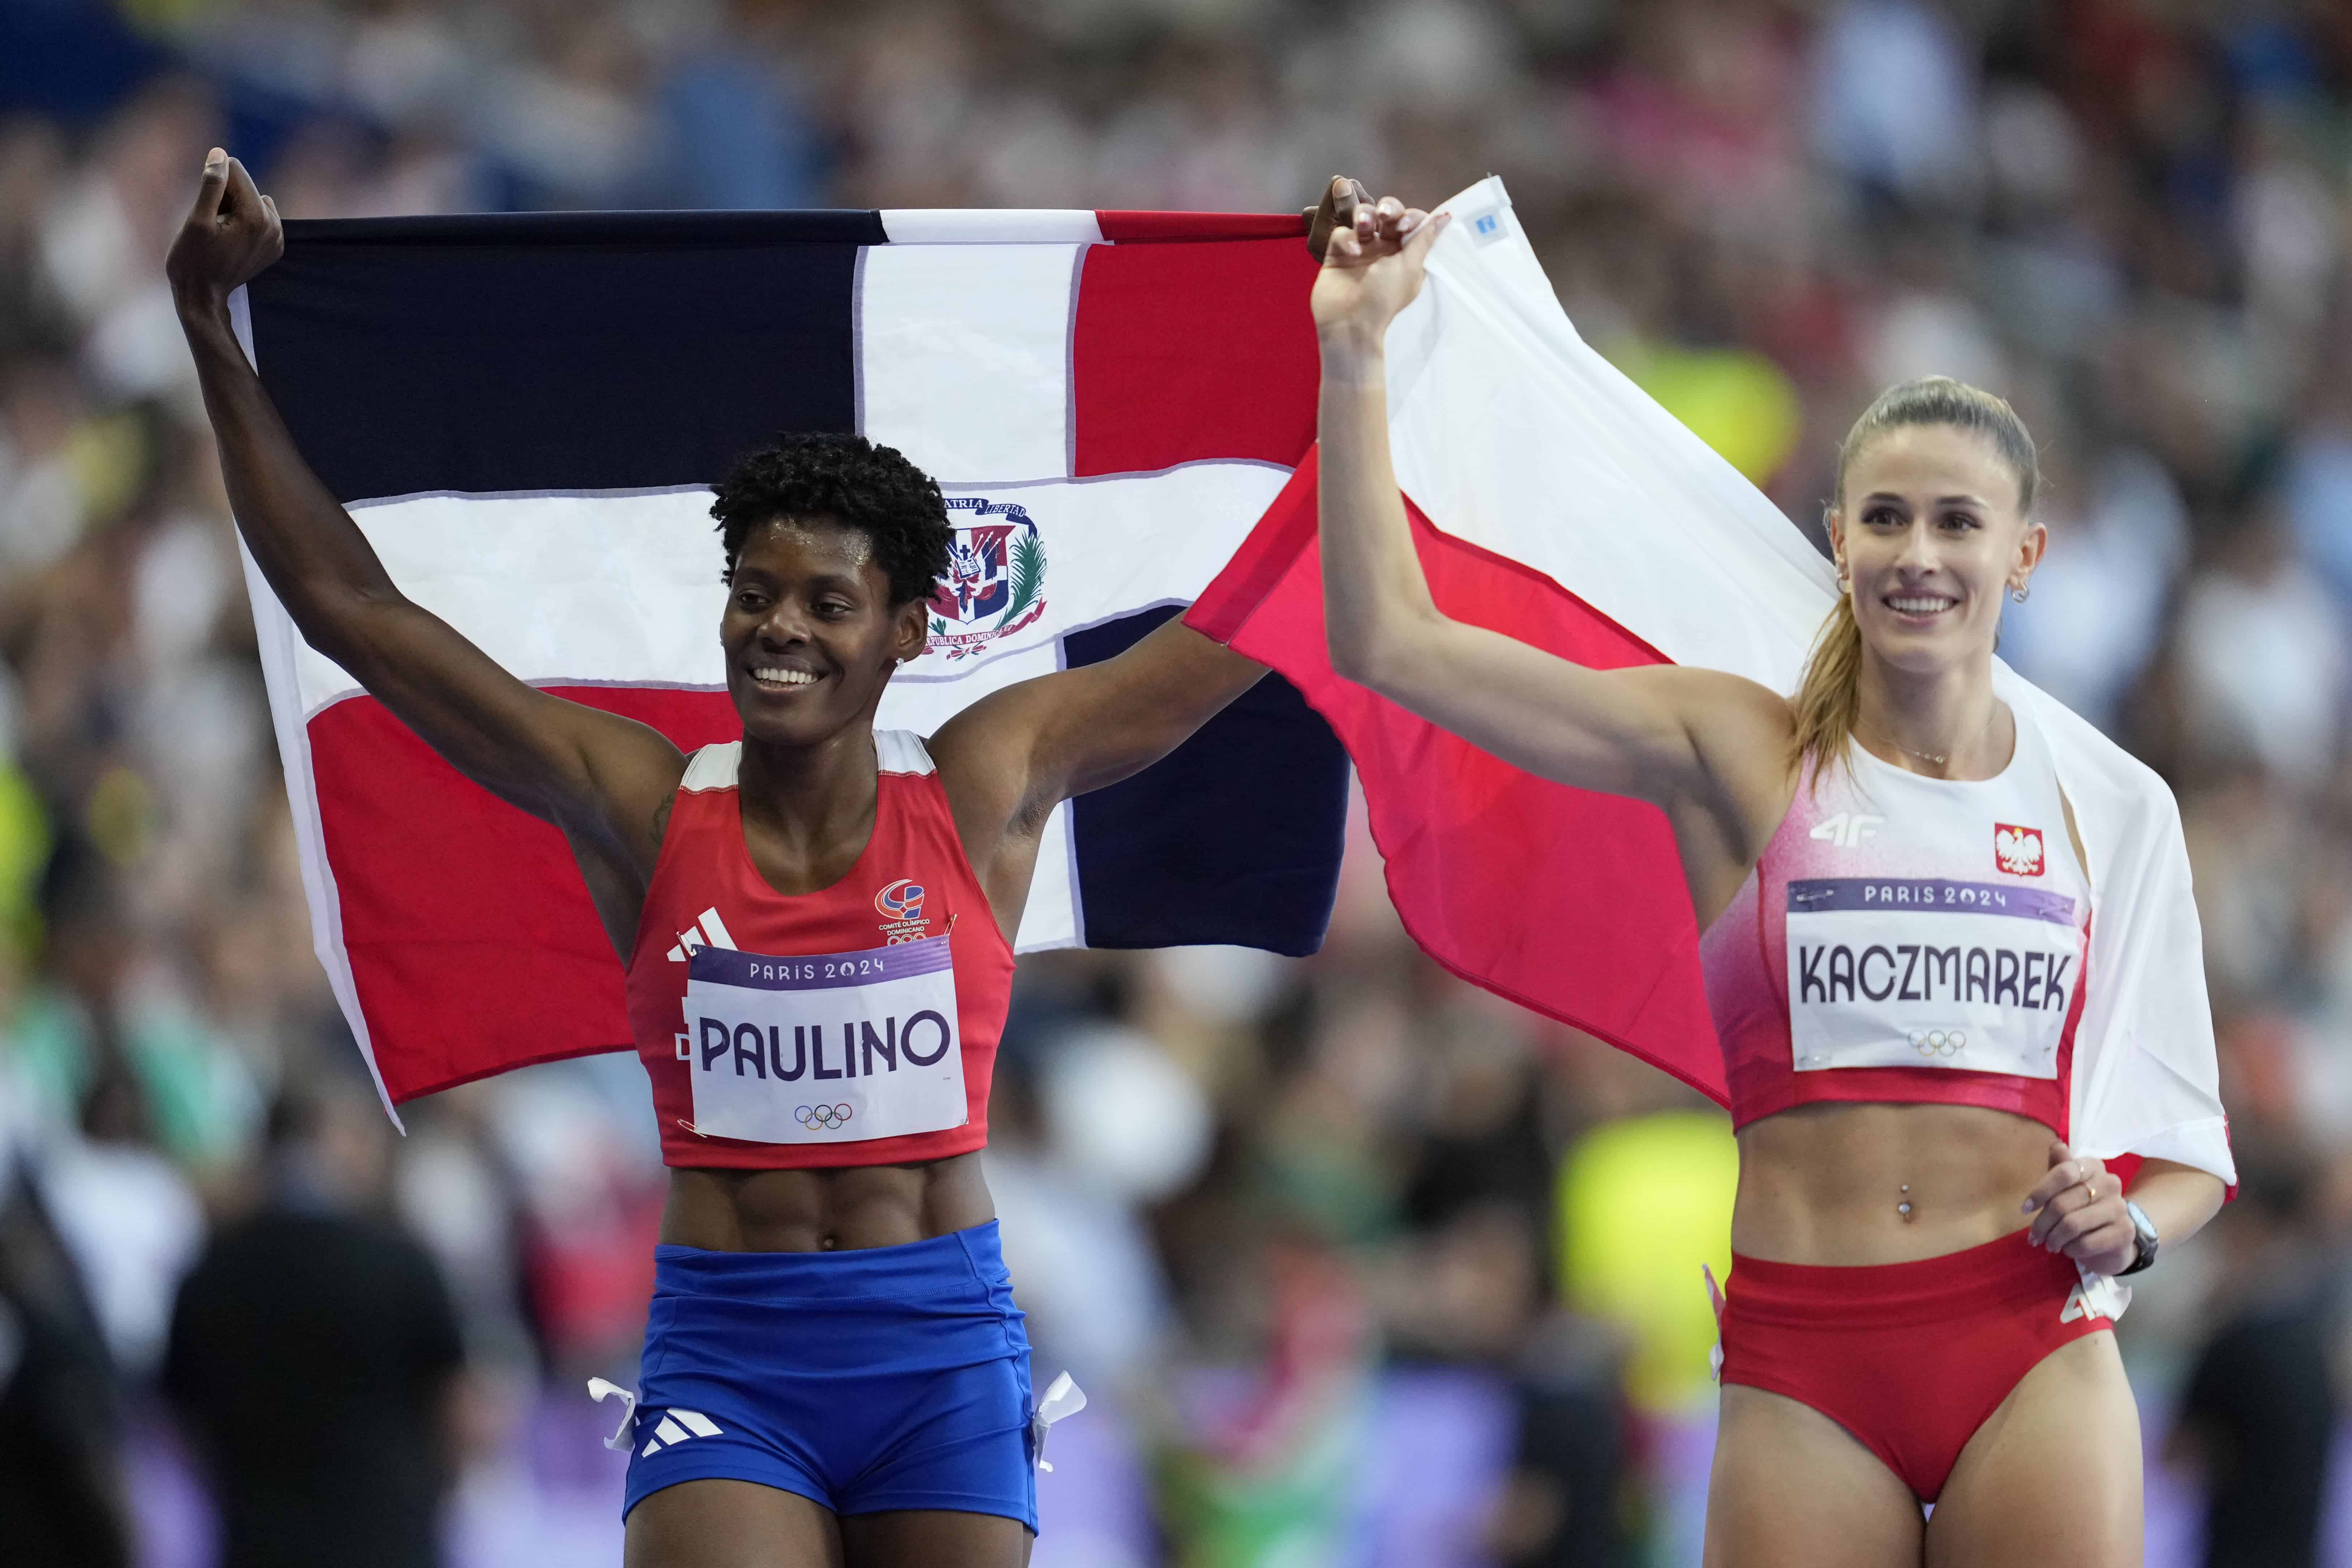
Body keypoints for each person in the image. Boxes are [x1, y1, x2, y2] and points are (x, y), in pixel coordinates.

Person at [166, 151, 1337, 1568]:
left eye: (825, 602)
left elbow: (1248, 622)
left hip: (943, 1350)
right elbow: (350, 606)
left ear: (906, 628)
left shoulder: (983, 781)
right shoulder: (643, 804)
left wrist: (1357, 357)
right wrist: (208, 331)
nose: (778, 629)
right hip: (728, 1355)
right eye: (755, 594)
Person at [1306, 189, 2229, 1566]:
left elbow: (2188, 1156)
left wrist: (2131, 1230)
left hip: (2026, 1344)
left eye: (1957, 525)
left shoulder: (2111, 801)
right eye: (1885, 520)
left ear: (2021, 554)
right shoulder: (1732, 745)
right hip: (1805, 1359)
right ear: (1835, 538)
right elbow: (1390, 643)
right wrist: (1354, 353)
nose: (1919, 555)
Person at [163, 1077, 468, 1568]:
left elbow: (181, 1414)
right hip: (389, 1537)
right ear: (326, 1142)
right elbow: (456, 1406)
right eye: (362, 1135)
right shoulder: (401, 1262)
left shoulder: (211, 1268)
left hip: (258, 1541)